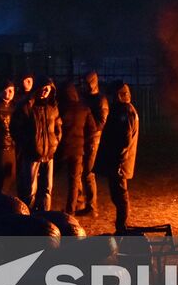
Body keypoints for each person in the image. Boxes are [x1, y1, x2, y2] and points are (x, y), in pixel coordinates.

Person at [94, 79, 139, 233]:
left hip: (119, 162)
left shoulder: (124, 111)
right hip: (117, 161)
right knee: (117, 194)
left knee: (120, 195)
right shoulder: (121, 109)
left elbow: (125, 140)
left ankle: (122, 227)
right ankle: (121, 226)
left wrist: (118, 161)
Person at [14, 77, 62, 212]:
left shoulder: (52, 107)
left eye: (49, 89)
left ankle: (45, 215)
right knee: (30, 189)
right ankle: (29, 217)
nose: (45, 91)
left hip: (49, 154)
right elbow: (16, 128)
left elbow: (59, 127)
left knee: (47, 188)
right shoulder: (27, 106)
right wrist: (28, 144)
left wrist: (55, 142)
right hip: (32, 154)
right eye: (44, 88)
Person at [57, 81, 93, 213]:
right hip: (78, 149)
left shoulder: (61, 108)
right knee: (74, 180)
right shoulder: (84, 108)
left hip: (63, 148)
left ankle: (43, 206)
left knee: (51, 177)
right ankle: (71, 209)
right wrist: (85, 141)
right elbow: (92, 128)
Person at [78, 71, 110, 217]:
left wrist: (90, 131)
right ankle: (80, 203)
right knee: (79, 172)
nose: (84, 85)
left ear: (92, 82)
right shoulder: (85, 98)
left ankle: (91, 206)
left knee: (88, 173)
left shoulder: (100, 99)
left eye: (87, 83)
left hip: (92, 140)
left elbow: (102, 122)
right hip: (82, 138)